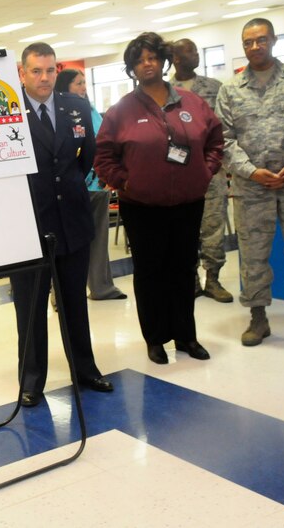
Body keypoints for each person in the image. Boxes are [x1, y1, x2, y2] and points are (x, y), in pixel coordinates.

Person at [95, 32, 223, 365]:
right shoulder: (121, 111)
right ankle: (155, 339)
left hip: (187, 203)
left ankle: (186, 336)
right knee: (151, 273)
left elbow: (214, 141)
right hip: (141, 207)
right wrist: (128, 182)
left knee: (183, 269)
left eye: (152, 57)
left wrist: (204, 172)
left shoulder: (192, 103)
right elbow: (104, 156)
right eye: (139, 60)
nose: (147, 64)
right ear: (131, 68)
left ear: (163, 61)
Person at [215, 18, 284, 347]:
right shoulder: (231, 90)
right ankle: (258, 318)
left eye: (261, 40)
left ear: (273, 41)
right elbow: (224, 138)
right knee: (252, 254)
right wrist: (250, 171)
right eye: (248, 42)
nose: (255, 47)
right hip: (252, 187)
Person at [12, 42, 113, 408]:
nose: (44, 78)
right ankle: (31, 380)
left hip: (72, 220)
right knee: (31, 307)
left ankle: (84, 369)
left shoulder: (76, 106)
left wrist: (68, 187)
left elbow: (87, 157)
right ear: (22, 73)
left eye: (50, 70)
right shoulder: (9, 111)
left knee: (74, 303)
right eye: (36, 71)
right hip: (28, 225)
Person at [54, 68, 126, 302]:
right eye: (78, 83)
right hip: (76, 187)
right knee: (70, 241)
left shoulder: (90, 109)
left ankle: (101, 287)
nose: (83, 87)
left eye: (84, 82)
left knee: (99, 238)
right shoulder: (62, 112)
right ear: (65, 87)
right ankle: (61, 294)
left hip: (99, 185)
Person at [170, 38, 233, 303]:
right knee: (184, 230)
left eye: (196, 51)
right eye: (190, 51)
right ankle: (191, 280)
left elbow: (225, 129)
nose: (196, 55)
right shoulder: (164, 90)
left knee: (213, 228)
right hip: (176, 176)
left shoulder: (213, 88)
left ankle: (214, 279)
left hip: (211, 172)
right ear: (175, 58)